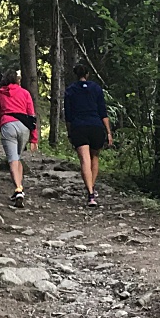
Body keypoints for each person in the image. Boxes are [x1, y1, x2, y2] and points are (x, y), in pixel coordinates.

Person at [64, 61, 113, 208]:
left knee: (85, 160)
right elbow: (103, 112)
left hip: (79, 126)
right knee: (94, 157)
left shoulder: (70, 90)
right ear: (87, 74)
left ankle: (90, 193)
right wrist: (109, 132)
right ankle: (92, 190)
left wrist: (70, 132)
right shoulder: (96, 89)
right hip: (96, 126)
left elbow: (68, 116)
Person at [0, 69, 37, 208]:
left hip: (8, 125)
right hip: (24, 126)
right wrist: (34, 138)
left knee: (13, 159)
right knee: (18, 157)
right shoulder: (25, 93)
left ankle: (18, 189)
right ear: (17, 80)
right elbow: (31, 115)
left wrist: (1, 127)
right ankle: (20, 188)